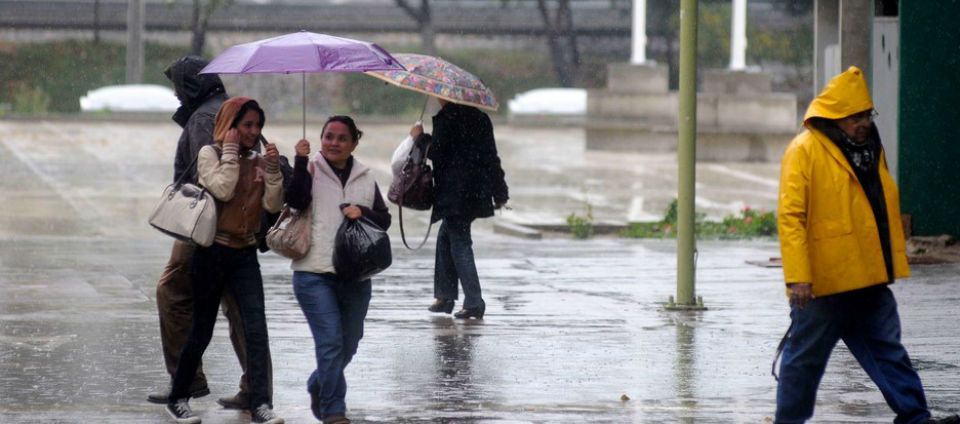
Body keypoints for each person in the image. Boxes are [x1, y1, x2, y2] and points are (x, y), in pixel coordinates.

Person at [775, 66, 958, 424]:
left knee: (887, 350)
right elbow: (791, 217)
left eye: (867, 114)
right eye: (855, 116)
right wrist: (798, 277)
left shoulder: (869, 148)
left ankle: (916, 418)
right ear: (836, 116)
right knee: (804, 362)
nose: (863, 122)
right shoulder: (805, 151)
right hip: (823, 284)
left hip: (868, 277)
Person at [150, 56, 273, 410]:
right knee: (240, 312)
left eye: (177, 85)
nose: (175, 94)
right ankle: (254, 390)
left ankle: (188, 381)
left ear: (189, 85)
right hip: (226, 227)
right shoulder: (219, 108)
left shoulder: (206, 117)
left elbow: (217, 180)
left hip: (210, 226)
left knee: (175, 292)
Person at [285, 116, 391, 424]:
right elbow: (294, 201)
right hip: (313, 272)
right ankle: (333, 410)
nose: (334, 142)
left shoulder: (365, 177)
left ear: (354, 143)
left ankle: (317, 383)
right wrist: (301, 159)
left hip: (356, 276)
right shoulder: (309, 169)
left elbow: (383, 220)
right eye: (329, 136)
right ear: (320, 139)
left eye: (342, 138)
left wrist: (364, 212)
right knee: (330, 342)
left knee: (349, 342)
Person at [410, 99, 508, 319]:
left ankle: (474, 302)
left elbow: (437, 152)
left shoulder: (447, 118)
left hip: (454, 194)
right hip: (475, 193)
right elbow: (492, 157)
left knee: (460, 243)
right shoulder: (481, 118)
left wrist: (420, 137)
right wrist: (500, 191)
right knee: (447, 236)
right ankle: (445, 297)